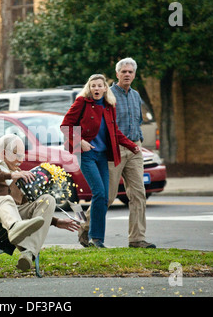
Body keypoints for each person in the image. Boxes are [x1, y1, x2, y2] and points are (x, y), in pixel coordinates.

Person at [0, 134, 80, 271]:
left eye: (22, 155)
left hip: (12, 212)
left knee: (48, 199)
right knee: (6, 199)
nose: (22, 159)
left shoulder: (19, 174)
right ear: (3, 153)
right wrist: (9, 175)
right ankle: (15, 227)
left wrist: (55, 221)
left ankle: (28, 252)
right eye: (17, 155)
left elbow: (27, 204)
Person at [60, 74, 139, 248]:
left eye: (99, 86)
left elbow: (114, 131)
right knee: (100, 193)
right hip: (86, 154)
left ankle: (97, 239)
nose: (96, 88)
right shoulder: (82, 102)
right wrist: (80, 141)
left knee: (104, 198)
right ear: (89, 88)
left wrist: (131, 145)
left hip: (103, 155)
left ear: (105, 88)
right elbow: (65, 125)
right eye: (93, 85)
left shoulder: (110, 106)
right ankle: (95, 238)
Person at [108, 57, 156, 248]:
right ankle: (87, 230)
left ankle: (137, 239)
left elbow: (137, 121)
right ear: (117, 74)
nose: (127, 74)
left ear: (134, 74)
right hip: (116, 148)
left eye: (130, 72)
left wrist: (139, 141)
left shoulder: (136, 95)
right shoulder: (108, 95)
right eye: (124, 71)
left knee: (138, 194)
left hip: (134, 149)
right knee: (108, 195)